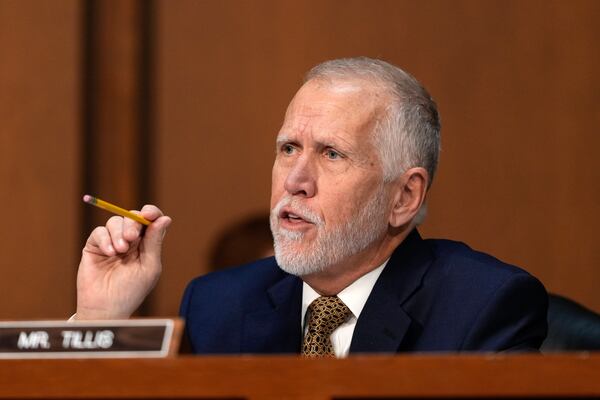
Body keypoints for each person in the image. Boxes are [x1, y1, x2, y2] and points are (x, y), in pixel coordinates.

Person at [75, 57, 548, 356]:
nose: (295, 182)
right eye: (287, 149)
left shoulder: (483, 306)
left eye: (331, 154)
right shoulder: (218, 305)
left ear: (404, 197)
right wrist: (99, 323)